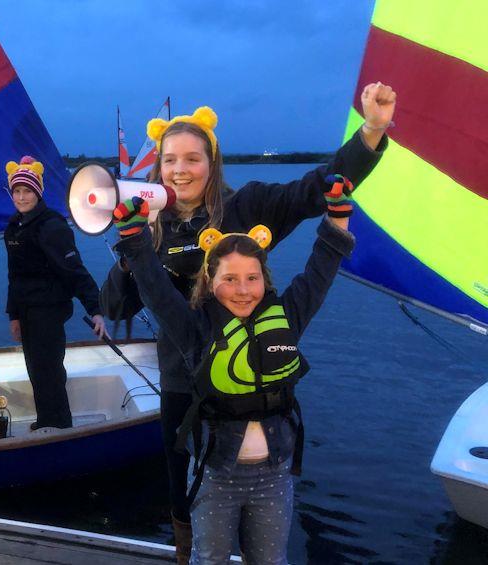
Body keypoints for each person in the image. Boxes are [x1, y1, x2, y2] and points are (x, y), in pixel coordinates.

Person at [100, 83, 396, 562]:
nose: (180, 170)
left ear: (211, 163)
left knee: (264, 503)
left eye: (192, 158)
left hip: (256, 375)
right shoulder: (150, 225)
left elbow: (316, 188)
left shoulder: (248, 206)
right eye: (170, 159)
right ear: (157, 166)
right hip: (184, 384)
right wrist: (133, 249)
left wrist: (371, 131)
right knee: (184, 497)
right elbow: (114, 308)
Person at [112, 173, 356, 563]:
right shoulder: (194, 328)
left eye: (251, 278)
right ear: (210, 282)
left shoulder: (287, 317)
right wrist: (135, 239)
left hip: (274, 473)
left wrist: (338, 219)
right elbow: (157, 292)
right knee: (209, 559)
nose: (242, 289)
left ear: (264, 279)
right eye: (229, 279)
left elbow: (319, 274)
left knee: (270, 560)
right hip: (215, 473)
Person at [4, 156, 107, 429]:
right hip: (26, 311)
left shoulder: (52, 226)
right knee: (35, 371)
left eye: (27, 191)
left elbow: (75, 270)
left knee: (49, 371)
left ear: (38, 192)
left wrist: (95, 310)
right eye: (17, 191)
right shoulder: (14, 227)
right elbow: (13, 276)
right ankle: (45, 420)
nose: (22, 197)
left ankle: (60, 426)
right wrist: (13, 315)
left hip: (49, 311)